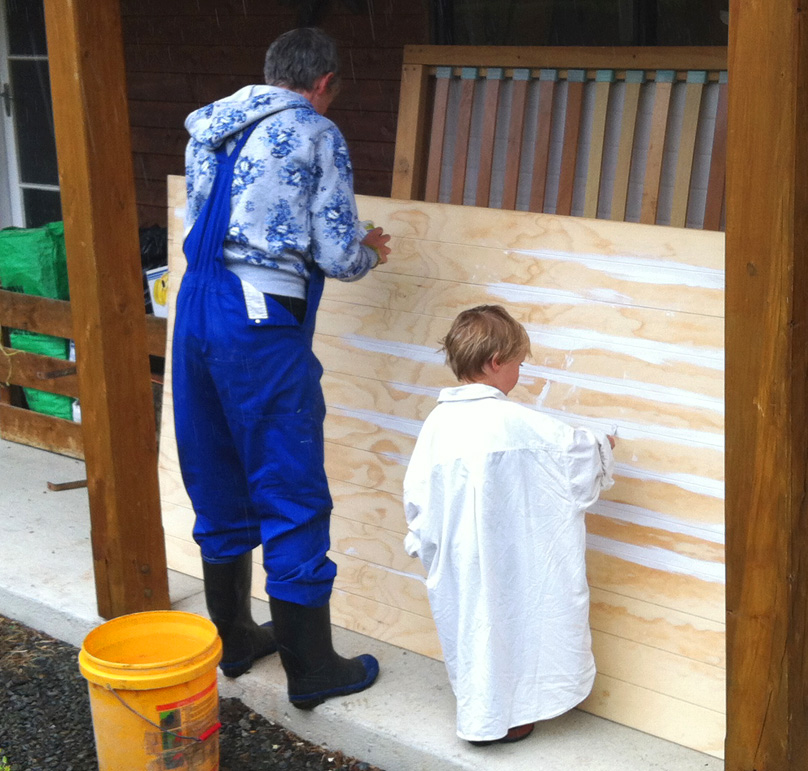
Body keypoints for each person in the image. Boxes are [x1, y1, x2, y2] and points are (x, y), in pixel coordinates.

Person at [173, 27, 389, 710]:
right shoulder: (315, 132)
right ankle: (312, 668)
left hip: (197, 309)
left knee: (215, 468)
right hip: (258, 319)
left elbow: (202, 220)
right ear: (323, 83)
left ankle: (235, 636)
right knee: (288, 480)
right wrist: (372, 249)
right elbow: (337, 253)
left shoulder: (211, 124)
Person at [402, 305, 616, 744]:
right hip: (512, 560)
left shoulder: (437, 424)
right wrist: (603, 444)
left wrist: (425, 543)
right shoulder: (516, 423)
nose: (520, 371)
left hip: (460, 559)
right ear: (497, 362)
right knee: (516, 624)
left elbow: (417, 497)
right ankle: (512, 716)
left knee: (476, 630)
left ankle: (482, 713)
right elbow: (574, 456)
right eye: (519, 362)